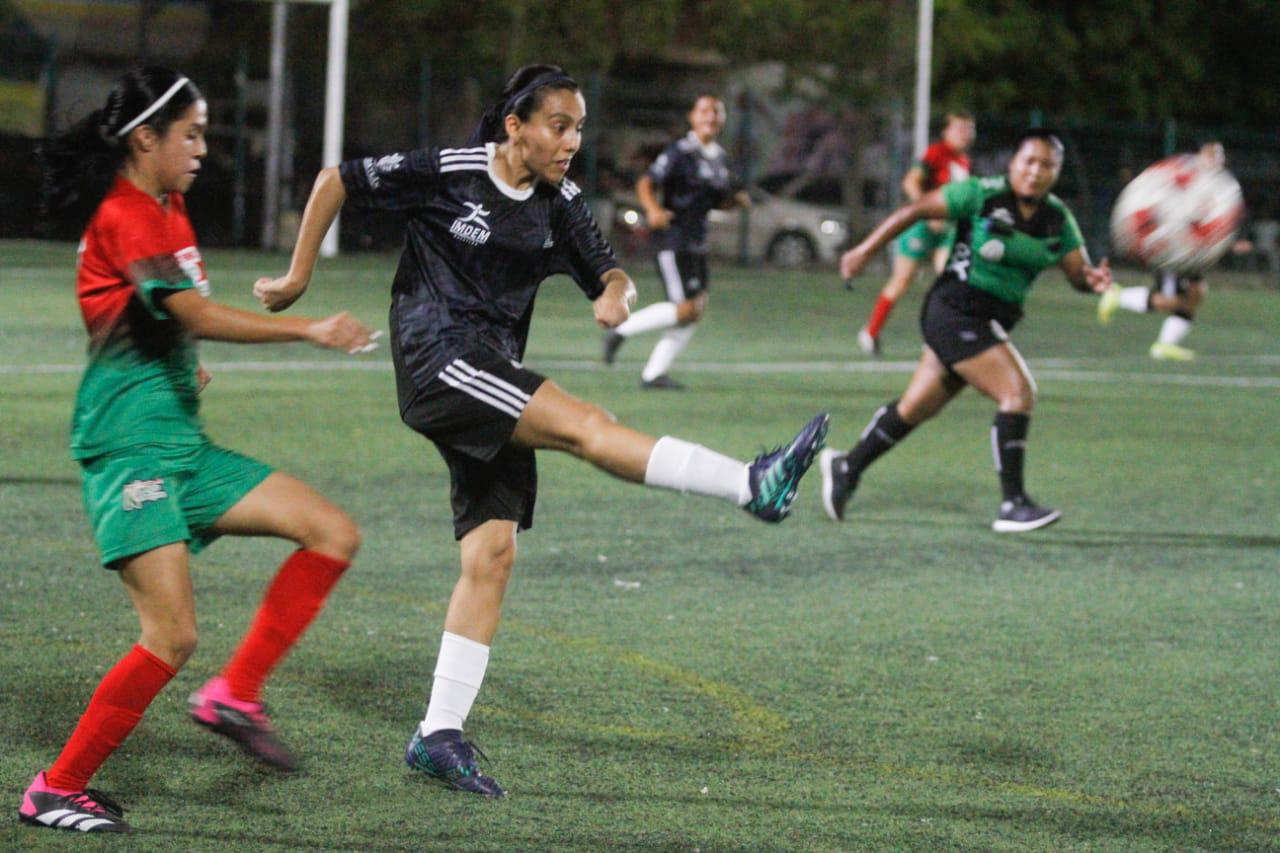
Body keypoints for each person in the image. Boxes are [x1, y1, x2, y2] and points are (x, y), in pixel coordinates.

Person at [254, 65, 828, 797]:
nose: (572, 141)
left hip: (488, 370)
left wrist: (616, 297)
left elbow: (608, 271)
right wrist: (299, 276)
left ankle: (438, 732)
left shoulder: (562, 202)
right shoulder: (451, 172)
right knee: (588, 425)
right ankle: (751, 483)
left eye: (580, 127)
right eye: (559, 125)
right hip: (438, 360)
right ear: (515, 126)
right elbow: (337, 177)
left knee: (492, 552)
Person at [18, 67, 378, 835]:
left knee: (332, 531)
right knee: (172, 634)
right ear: (144, 137)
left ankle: (233, 695)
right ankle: (56, 786)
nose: (203, 148)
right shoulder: (126, 214)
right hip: (128, 449)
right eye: (191, 133)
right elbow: (192, 310)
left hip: (182, 440)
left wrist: (183, 356)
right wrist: (308, 328)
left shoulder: (167, 205)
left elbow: (164, 318)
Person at [824, 129, 1112, 532]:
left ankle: (846, 466)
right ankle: (1013, 504)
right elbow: (916, 210)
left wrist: (1091, 280)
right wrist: (864, 250)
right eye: (1029, 161)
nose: (1035, 171)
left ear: (1056, 172)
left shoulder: (1056, 219)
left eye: (1047, 165)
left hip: (990, 320)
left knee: (917, 407)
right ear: (1013, 164)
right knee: (1017, 392)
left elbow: (1077, 273)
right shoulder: (981, 194)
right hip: (955, 311)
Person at [600, 94, 750, 389]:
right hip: (673, 237)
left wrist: (735, 202)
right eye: (704, 110)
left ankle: (654, 374)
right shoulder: (681, 151)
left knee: (694, 310)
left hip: (697, 239)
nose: (710, 116)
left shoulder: (719, 158)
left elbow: (717, 200)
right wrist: (654, 209)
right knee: (685, 308)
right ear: (693, 117)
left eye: (716, 112)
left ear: (722, 120)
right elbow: (646, 182)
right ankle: (621, 330)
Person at [1097, 141, 1249, 361]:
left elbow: (1212, 222)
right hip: (1172, 251)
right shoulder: (1183, 177)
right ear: (1199, 155)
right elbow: (1164, 210)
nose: (1217, 159)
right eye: (1211, 154)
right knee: (1171, 301)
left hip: (1189, 253)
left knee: (1196, 293)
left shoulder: (1214, 186)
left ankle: (1165, 344)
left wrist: (1227, 243)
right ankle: (1118, 297)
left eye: (1219, 155)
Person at [855, 111, 976, 357]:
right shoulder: (936, 153)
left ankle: (938, 337)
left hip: (948, 228)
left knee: (951, 281)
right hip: (921, 224)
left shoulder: (963, 160)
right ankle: (871, 332)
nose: (966, 134)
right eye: (960, 128)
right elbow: (911, 182)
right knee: (901, 281)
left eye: (969, 129)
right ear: (947, 131)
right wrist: (927, 211)